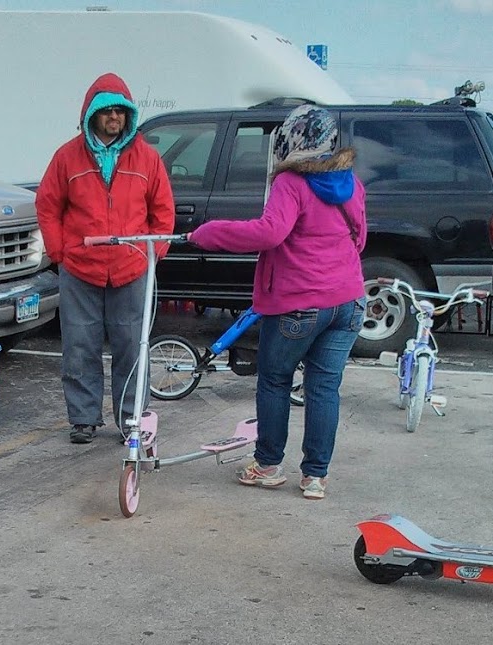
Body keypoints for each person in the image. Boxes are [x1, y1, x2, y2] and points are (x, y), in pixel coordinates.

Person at [187, 104, 367, 499]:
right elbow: (360, 237)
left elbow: (270, 232)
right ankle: (315, 477)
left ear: (293, 140)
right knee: (324, 388)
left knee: (274, 380)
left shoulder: (292, 182)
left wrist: (211, 232)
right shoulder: (350, 182)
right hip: (348, 301)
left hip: (298, 304)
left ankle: (268, 466)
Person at [35, 72, 175, 444]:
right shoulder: (66, 157)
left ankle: (132, 419)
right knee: (79, 345)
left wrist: (154, 252)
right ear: (92, 114)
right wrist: (59, 252)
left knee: (132, 346)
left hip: (131, 269)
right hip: (80, 269)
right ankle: (83, 418)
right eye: (106, 111)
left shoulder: (148, 157)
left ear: (128, 115)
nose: (114, 117)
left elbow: (163, 210)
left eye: (119, 111)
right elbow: (47, 205)